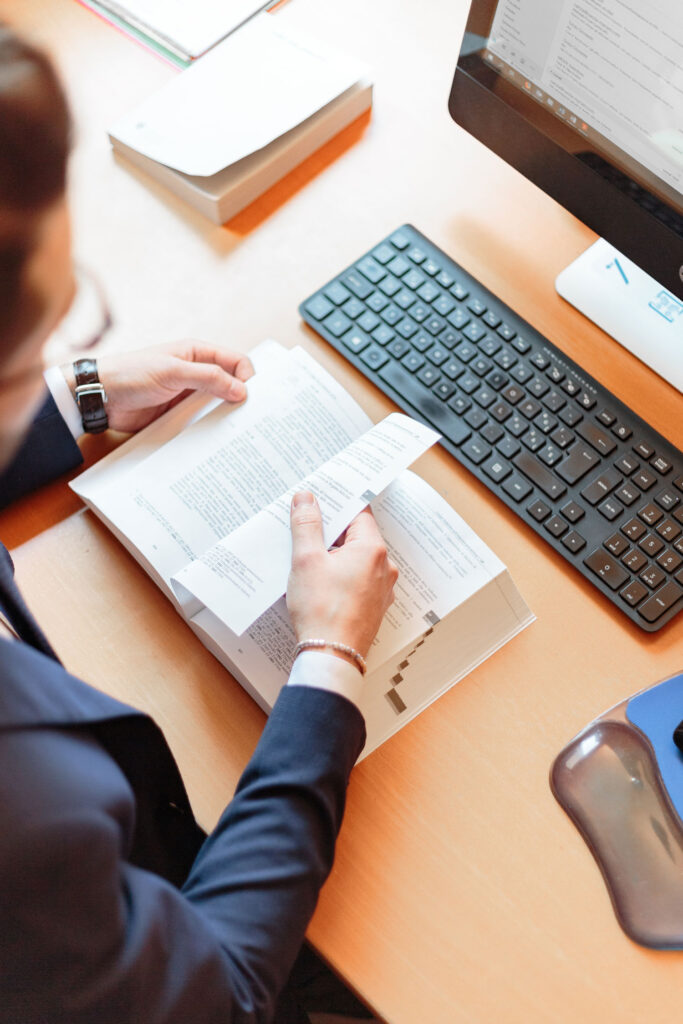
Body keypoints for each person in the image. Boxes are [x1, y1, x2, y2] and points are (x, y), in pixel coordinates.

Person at [0, 23, 398, 1024]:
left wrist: (77, 396)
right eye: (57, 319)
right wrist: (326, 661)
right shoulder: (27, 818)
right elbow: (216, 997)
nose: (64, 338)